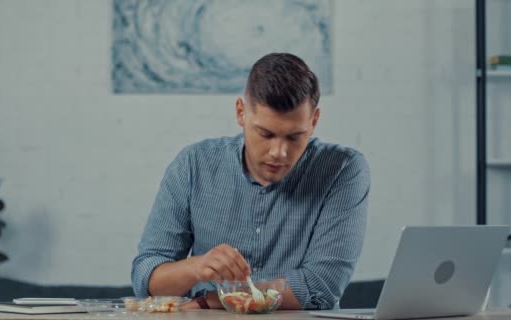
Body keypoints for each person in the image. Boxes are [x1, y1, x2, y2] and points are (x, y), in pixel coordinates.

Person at [131, 52, 370, 310]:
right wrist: (195, 267)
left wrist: (211, 301)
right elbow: (147, 280)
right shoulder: (193, 164)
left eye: (294, 137)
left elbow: (322, 285)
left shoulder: (343, 169)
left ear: (314, 121)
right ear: (240, 112)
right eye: (265, 134)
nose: (279, 152)